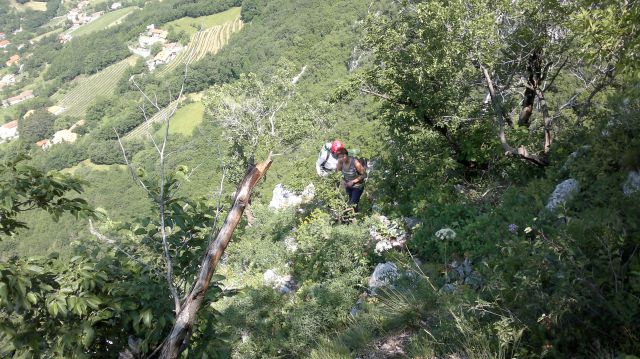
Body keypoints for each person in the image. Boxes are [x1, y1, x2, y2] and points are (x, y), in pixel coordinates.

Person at [335, 147, 367, 212]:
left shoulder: (355, 163)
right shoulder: (341, 162)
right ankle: (355, 215)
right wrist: (339, 162)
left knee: (352, 204)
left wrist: (353, 181)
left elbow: (365, 175)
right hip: (348, 186)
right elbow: (337, 172)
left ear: (347, 155)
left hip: (358, 186)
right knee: (351, 202)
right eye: (339, 157)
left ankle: (354, 218)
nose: (341, 158)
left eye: (343, 156)